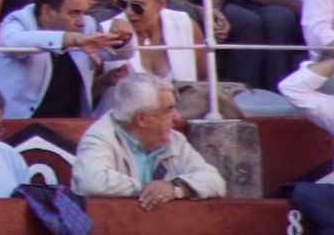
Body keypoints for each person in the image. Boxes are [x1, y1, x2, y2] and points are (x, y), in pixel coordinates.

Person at [71, 72, 225, 204]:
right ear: (142, 119)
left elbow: (216, 182)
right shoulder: (100, 136)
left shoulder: (174, 139)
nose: (177, 117)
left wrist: (176, 189)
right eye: (168, 110)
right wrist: (146, 188)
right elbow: (92, 181)